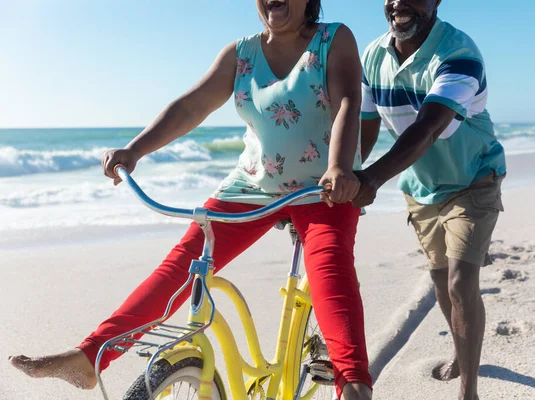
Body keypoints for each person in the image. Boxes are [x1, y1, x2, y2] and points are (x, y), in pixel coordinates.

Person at [9, 1, 373, 398]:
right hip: (252, 186)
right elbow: (192, 106)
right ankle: (90, 357)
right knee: (183, 264)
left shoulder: (332, 40)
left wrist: (339, 167)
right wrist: (135, 150)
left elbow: (347, 103)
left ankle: (353, 383)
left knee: (330, 277)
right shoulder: (242, 53)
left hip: (323, 189)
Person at [353, 1, 506, 399]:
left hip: (474, 177)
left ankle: (468, 389)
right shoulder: (372, 56)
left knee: (460, 281)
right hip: (421, 185)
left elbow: (428, 125)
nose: (399, 3)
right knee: (440, 280)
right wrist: (346, 170)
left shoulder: (458, 54)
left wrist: (370, 180)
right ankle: (461, 352)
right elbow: (364, 128)